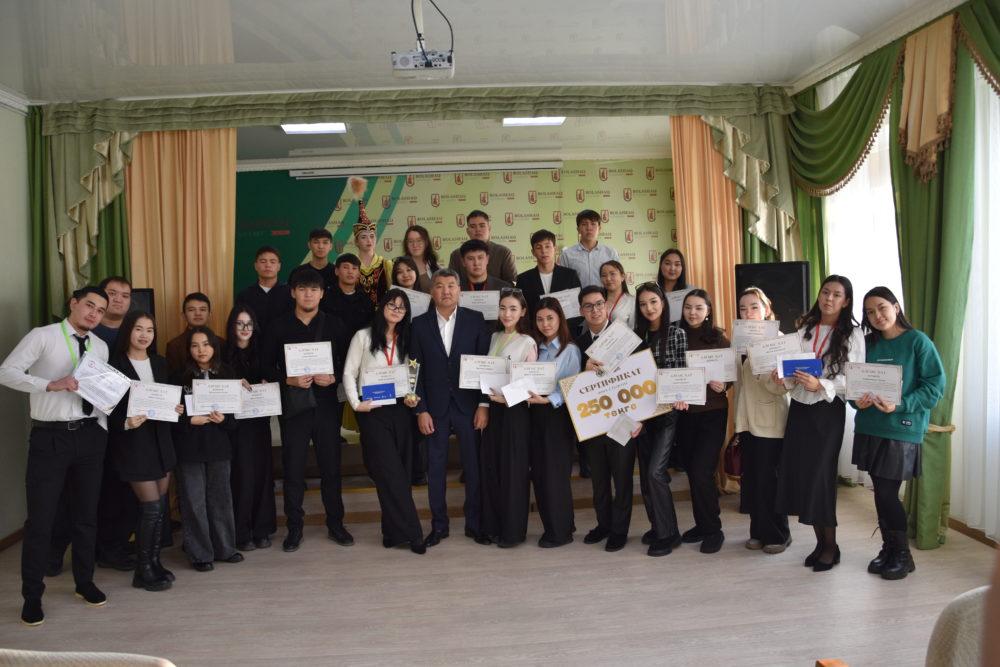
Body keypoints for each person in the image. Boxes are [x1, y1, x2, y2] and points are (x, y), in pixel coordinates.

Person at [0, 286, 111, 626]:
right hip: (50, 437)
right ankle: (32, 596)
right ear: (73, 304)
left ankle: (84, 582)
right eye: (89, 305)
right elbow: (6, 372)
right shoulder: (43, 336)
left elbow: (99, 391)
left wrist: (102, 426)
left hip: (90, 436)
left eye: (101, 310)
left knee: (86, 516)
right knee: (41, 520)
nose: (94, 314)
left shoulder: (100, 346)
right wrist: (50, 384)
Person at [852, 286, 944, 580]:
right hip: (870, 426)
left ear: (896, 306)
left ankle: (903, 555)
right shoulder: (866, 343)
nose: (877, 316)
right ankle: (889, 549)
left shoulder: (918, 341)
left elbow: (934, 387)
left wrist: (901, 404)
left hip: (902, 428)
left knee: (887, 492)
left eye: (881, 307)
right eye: (869, 312)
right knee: (880, 492)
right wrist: (855, 400)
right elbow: (852, 382)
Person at [776, 275, 865, 572]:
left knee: (821, 478)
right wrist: (784, 376)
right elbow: (793, 370)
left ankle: (831, 546)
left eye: (836, 295)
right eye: (825, 292)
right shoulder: (804, 328)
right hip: (800, 409)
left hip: (828, 410)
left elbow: (854, 379)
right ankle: (821, 543)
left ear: (846, 301)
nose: (829, 298)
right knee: (804, 476)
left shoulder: (853, 334)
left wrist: (821, 385)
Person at [261, 267, 353, 552]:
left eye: (314, 289)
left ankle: (336, 524)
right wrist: (287, 379)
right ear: (293, 293)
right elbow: (264, 365)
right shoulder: (278, 326)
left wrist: (334, 376)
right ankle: (294, 528)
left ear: (322, 294)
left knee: (331, 467)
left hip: (326, 406)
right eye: (302, 289)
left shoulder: (335, 324)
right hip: (294, 408)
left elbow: (348, 363)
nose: (308, 294)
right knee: (293, 469)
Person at [410, 268, 491, 547]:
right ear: (431, 291)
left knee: (474, 467)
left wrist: (483, 404)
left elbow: (485, 364)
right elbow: (413, 369)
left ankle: (475, 524)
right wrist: (420, 409)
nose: (446, 291)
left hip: (469, 406)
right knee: (435, 468)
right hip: (434, 408)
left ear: (460, 290)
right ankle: (439, 526)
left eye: (451, 285)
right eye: (440, 286)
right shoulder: (419, 324)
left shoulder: (475, 320)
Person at [342, 289, 426, 554]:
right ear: (381, 306)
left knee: (401, 472)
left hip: (401, 410)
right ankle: (413, 533)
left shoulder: (408, 338)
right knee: (389, 473)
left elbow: (412, 373)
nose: (396, 310)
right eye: (392, 305)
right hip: (373, 412)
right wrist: (356, 404)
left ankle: (391, 533)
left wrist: (412, 397)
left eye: (402, 307)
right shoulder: (363, 336)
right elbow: (349, 372)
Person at [107, 310, 181, 591]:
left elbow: (169, 398)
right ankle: (143, 570)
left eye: (149, 330)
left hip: (161, 442)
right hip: (134, 444)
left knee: (160, 507)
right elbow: (105, 408)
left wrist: (176, 408)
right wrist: (126, 421)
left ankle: (154, 562)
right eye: (139, 329)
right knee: (150, 508)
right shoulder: (115, 365)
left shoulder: (160, 362)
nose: (144, 335)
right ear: (128, 330)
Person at [170, 327, 243, 572]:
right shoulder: (179, 377)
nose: (201, 350)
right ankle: (200, 554)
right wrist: (189, 420)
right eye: (195, 345)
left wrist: (224, 419)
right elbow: (170, 415)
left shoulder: (227, 373)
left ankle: (226, 549)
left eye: (206, 344)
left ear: (214, 346)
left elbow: (234, 421)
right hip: (189, 449)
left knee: (221, 499)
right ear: (188, 349)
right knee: (194, 502)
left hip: (219, 448)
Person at [733, 287, 791, 554]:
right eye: (743, 308)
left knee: (770, 481)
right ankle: (757, 531)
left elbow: (784, 387)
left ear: (766, 309)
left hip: (771, 421)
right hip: (747, 420)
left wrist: (760, 367)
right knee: (753, 480)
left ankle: (779, 535)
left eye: (754, 307)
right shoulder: (740, 341)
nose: (748, 312)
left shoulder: (779, 341)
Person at [575, 286, 633, 549]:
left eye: (599, 304)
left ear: (607, 307)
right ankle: (604, 524)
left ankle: (619, 531)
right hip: (594, 422)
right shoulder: (577, 344)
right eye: (589, 306)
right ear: (581, 311)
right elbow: (570, 385)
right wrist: (583, 370)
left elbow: (640, 374)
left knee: (622, 479)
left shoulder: (626, 337)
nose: (595, 310)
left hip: (622, 419)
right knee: (599, 479)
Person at [675, 289, 732, 554]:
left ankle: (713, 530)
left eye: (699, 307)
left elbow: (731, 373)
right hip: (685, 413)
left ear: (708, 311)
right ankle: (702, 524)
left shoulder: (718, 338)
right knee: (692, 470)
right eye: (688, 307)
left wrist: (725, 385)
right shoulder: (676, 336)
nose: (693, 312)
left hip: (712, 413)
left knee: (702, 471)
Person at [633, 283, 687, 557]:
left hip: (667, 413)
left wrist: (678, 395)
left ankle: (669, 534)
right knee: (646, 476)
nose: (649, 308)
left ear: (663, 303)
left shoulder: (676, 334)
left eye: (653, 302)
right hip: (642, 415)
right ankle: (657, 527)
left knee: (655, 472)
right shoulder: (635, 337)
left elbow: (680, 373)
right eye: (643, 304)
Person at [480, 288, 537, 548]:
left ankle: (512, 532)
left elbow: (530, 384)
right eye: (503, 308)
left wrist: (506, 398)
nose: (507, 313)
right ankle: (493, 527)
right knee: (493, 468)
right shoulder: (493, 337)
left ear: (523, 312)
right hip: (494, 412)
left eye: (513, 308)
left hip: (515, 412)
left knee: (513, 472)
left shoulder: (528, 342)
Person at [223, 306, 277, 552]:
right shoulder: (223, 354)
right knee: (242, 476)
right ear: (232, 326)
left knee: (262, 475)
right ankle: (241, 532)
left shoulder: (262, 352)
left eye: (249, 324)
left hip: (259, 423)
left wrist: (267, 383)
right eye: (240, 323)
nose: (245, 329)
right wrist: (233, 384)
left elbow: (274, 379)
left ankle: (262, 529)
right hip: (235, 427)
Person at [529, 297, 581, 548]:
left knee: (555, 476)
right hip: (535, 416)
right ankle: (560, 524)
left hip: (557, 417)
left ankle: (560, 532)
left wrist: (549, 400)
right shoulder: (535, 348)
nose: (545, 324)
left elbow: (572, 387)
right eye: (540, 319)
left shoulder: (569, 349)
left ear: (560, 318)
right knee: (540, 474)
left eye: (550, 318)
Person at [516, 229, 581, 324]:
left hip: (566, 329)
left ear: (555, 249)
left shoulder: (570, 275)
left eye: (547, 246)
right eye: (539, 247)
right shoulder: (523, 279)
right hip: (535, 330)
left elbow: (578, 308)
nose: (544, 251)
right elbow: (521, 311)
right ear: (533, 252)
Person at [348, 177, 393, 308]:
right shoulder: (351, 265)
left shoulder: (386, 265)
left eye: (372, 236)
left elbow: (392, 294)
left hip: (380, 316)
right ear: (356, 241)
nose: (369, 240)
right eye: (363, 237)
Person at [234, 246, 294, 336]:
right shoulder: (244, 296)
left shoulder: (291, 294)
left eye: (272, 262)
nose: (268, 265)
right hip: (253, 343)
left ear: (279, 266)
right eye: (263, 261)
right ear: (255, 266)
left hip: (283, 343)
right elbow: (238, 325)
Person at [447, 210, 517, 283]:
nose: (478, 230)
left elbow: (512, 282)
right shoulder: (456, 255)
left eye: (482, 226)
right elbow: (451, 282)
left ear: (489, 228)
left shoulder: (503, 252)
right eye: (473, 227)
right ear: (467, 231)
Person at [557, 209, 620, 288]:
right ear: (578, 229)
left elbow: (617, 281)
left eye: (593, 224)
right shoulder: (567, 255)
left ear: (599, 228)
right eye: (584, 224)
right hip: (578, 296)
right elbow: (563, 283)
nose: (589, 228)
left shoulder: (610, 253)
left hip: (604, 296)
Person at [165, 292, 213, 374]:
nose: (198, 313)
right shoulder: (174, 346)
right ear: (183, 315)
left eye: (202, 309)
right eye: (191, 310)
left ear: (209, 314)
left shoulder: (221, 343)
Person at [93, 276, 132, 347]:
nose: (118, 300)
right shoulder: (87, 327)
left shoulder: (136, 330)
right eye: (112, 293)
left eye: (125, 296)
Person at [403, 225, 439, 292]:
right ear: (406, 244)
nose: (415, 245)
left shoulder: (436, 267)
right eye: (410, 241)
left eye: (419, 240)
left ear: (426, 242)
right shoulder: (400, 268)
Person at [600, 260, 635, 329]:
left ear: (622, 277)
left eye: (612, 274)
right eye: (604, 275)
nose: (608, 279)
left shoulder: (632, 301)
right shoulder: (597, 300)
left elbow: (634, 329)